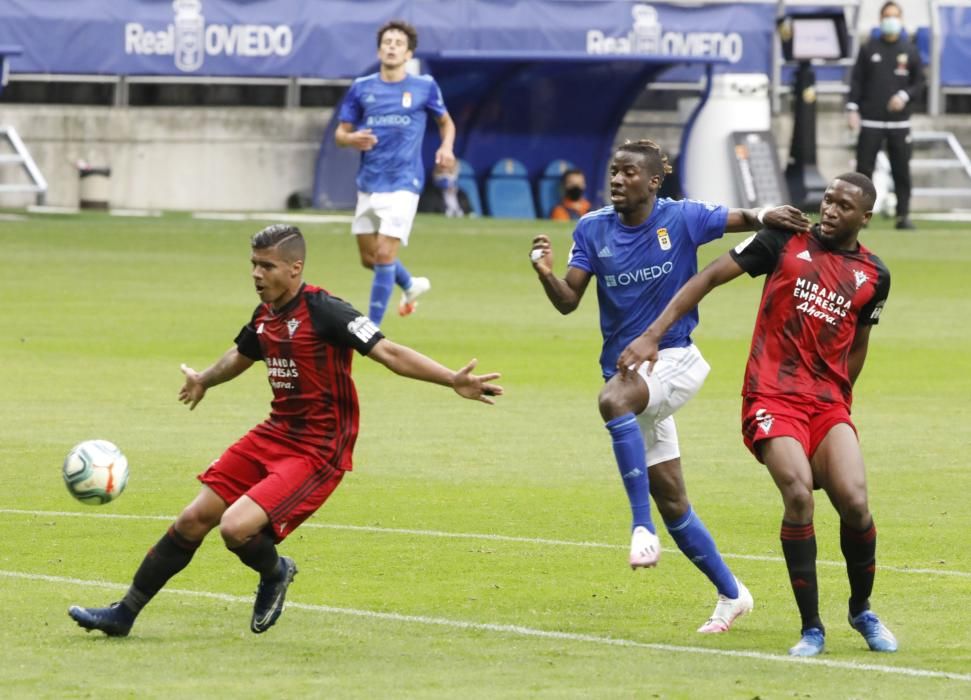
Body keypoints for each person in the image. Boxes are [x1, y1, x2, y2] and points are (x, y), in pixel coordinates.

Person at [68, 224, 502, 637]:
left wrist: (451, 379)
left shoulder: (326, 310)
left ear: (295, 268)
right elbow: (240, 354)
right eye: (254, 264)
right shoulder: (266, 315)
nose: (257, 274)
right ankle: (123, 614)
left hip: (319, 448)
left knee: (235, 529)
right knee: (191, 519)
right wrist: (203, 379)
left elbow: (387, 351)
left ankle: (275, 571)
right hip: (275, 433)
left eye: (267, 266)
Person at [529, 139, 810, 633]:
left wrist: (771, 212)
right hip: (630, 371)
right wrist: (545, 273)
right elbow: (569, 300)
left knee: (612, 400)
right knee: (674, 499)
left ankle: (640, 527)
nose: (617, 180)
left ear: (654, 181)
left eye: (629, 173)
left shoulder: (682, 218)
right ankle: (732, 594)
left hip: (676, 358)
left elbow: (743, 217)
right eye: (614, 172)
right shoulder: (592, 228)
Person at [617, 172, 895, 657]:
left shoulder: (874, 276)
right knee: (798, 493)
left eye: (843, 206)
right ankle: (812, 629)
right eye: (827, 200)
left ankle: (862, 610)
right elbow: (706, 278)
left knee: (854, 502)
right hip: (772, 395)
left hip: (826, 404)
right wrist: (654, 334)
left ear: (864, 217)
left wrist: (841, 402)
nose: (830, 210)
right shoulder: (783, 240)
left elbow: (859, 343)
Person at [335, 20, 456, 322]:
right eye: (387, 42)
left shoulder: (424, 86)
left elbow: (445, 122)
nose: (391, 47)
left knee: (386, 255)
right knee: (370, 258)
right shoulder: (362, 88)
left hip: (404, 182)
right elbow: (340, 134)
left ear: (408, 53)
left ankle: (372, 330)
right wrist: (351, 139)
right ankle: (410, 284)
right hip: (369, 181)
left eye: (398, 43)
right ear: (379, 50)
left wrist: (447, 148)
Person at [847, 1, 924, 230]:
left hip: (899, 123)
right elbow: (857, 81)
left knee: (901, 168)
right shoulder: (869, 48)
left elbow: (920, 83)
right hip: (871, 120)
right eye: (887, 16)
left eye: (895, 16)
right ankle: (860, 216)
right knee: (864, 171)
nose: (891, 20)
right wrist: (852, 109)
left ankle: (903, 215)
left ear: (901, 19)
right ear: (880, 20)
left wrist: (904, 96)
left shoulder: (909, 50)